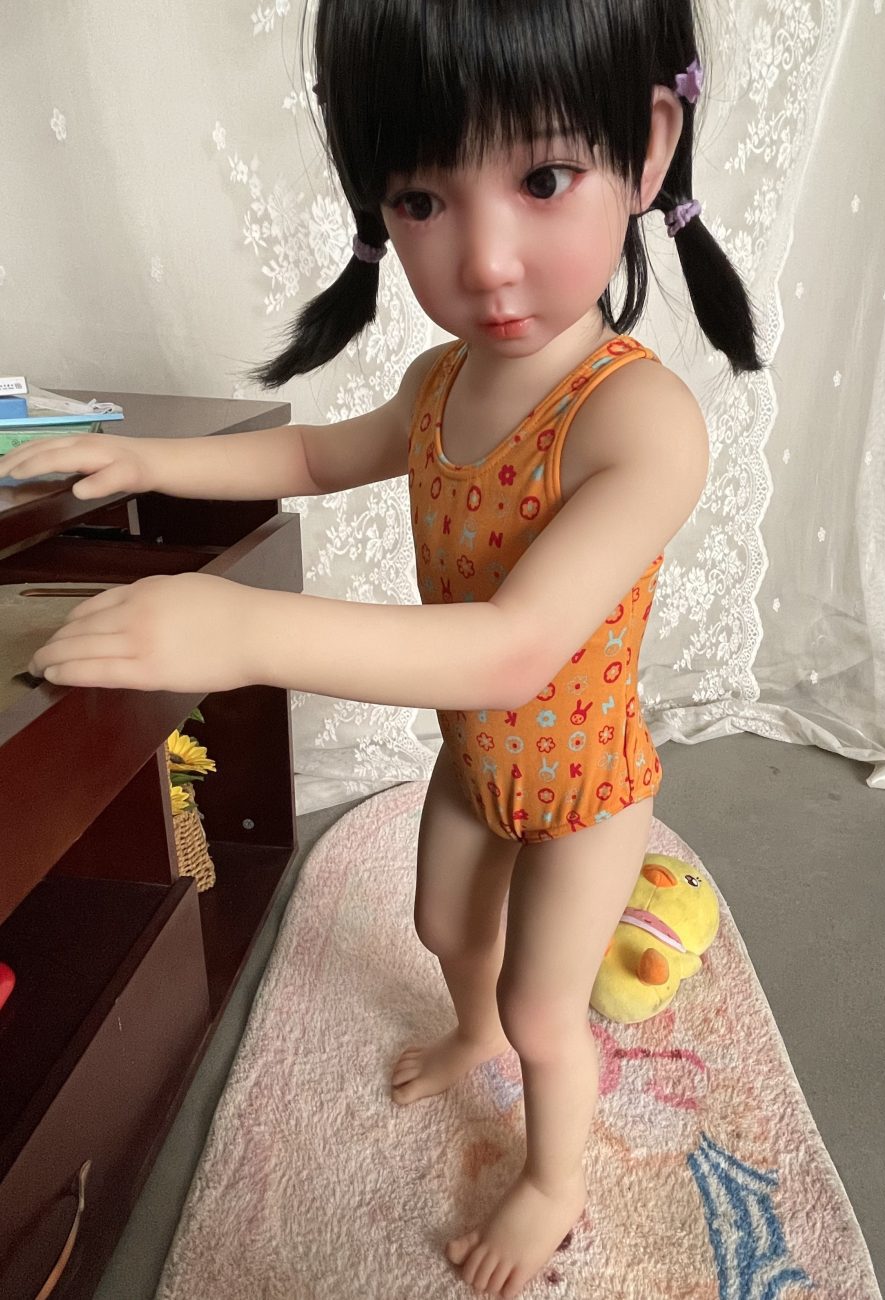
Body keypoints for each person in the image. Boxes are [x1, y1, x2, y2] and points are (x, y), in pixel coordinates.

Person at [5, 2, 765, 1295]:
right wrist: (146, 459)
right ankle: (471, 1028)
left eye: (542, 179)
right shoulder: (441, 383)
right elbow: (310, 456)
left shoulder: (642, 420)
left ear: (647, 149)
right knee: (443, 925)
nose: (487, 261)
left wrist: (244, 627)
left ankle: (552, 1179)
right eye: (422, 199)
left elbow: (515, 648)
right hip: (475, 759)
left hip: (583, 788)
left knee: (543, 1009)